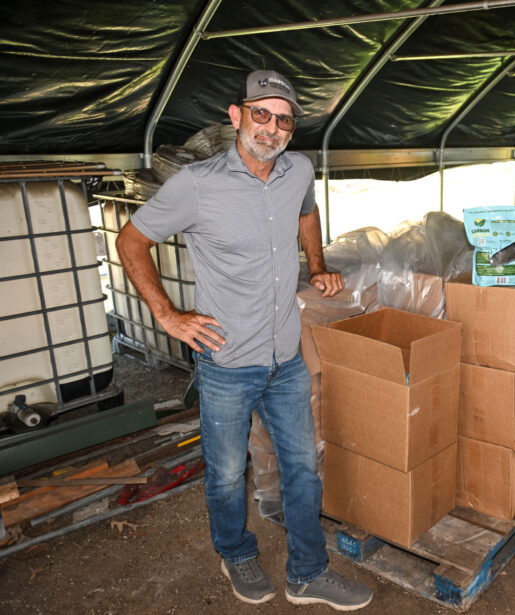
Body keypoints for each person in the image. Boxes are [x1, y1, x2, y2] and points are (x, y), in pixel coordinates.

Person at [116, 69, 373, 609]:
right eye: (262, 113)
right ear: (236, 116)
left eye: (284, 119)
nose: (273, 127)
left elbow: (307, 210)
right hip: (227, 360)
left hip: (286, 356)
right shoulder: (196, 185)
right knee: (230, 472)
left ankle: (308, 572)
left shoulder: (298, 167)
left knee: (303, 467)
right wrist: (166, 315)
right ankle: (236, 552)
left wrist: (318, 265)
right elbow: (131, 240)